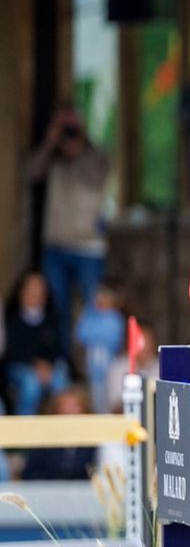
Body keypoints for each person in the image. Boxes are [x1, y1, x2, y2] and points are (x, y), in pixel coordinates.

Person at [28, 106, 110, 355]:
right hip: (55, 245)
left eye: (72, 128)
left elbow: (96, 177)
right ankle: (64, 365)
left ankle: (95, 368)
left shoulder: (97, 157)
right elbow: (31, 172)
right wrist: (50, 142)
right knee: (57, 311)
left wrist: (81, 144)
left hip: (89, 248)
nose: (69, 135)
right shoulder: (53, 158)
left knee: (93, 313)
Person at [3, 271, 72, 415]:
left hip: (49, 366)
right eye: (31, 287)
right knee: (31, 383)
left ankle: (63, 427)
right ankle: (25, 430)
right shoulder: (10, 317)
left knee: (61, 379)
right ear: (21, 291)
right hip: (20, 367)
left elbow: (59, 348)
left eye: (40, 288)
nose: (35, 292)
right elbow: (10, 350)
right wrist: (35, 365)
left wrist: (48, 365)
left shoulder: (53, 317)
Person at [73, 284, 125, 417]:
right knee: (94, 397)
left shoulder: (115, 318)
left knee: (108, 397)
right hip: (92, 366)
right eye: (99, 297)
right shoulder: (91, 316)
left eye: (105, 297)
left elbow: (112, 337)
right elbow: (81, 334)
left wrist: (94, 333)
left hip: (109, 364)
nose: (101, 300)